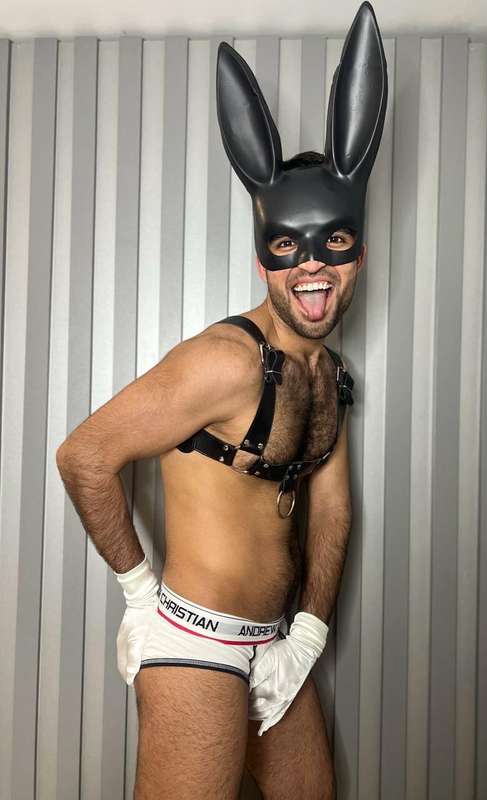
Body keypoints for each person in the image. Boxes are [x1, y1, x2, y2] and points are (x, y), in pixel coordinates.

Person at [55, 2, 388, 797]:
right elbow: (84, 456)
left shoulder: (328, 374)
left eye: (334, 243)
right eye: (288, 247)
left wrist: (307, 636)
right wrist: (140, 595)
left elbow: (332, 510)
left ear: (358, 252)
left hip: (276, 645)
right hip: (195, 645)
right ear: (263, 259)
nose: (312, 266)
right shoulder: (222, 363)